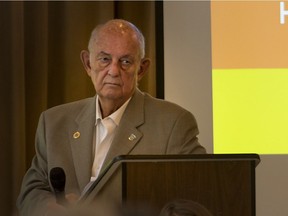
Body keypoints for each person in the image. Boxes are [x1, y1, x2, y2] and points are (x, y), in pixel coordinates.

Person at [17, 19, 206, 216]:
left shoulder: (173, 124)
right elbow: (31, 192)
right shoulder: (54, 122)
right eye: (105, 59)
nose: (114, 71)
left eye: (125, 62)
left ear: (141, 69)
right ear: (88, 63)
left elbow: (199, 195)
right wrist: (52, 210)